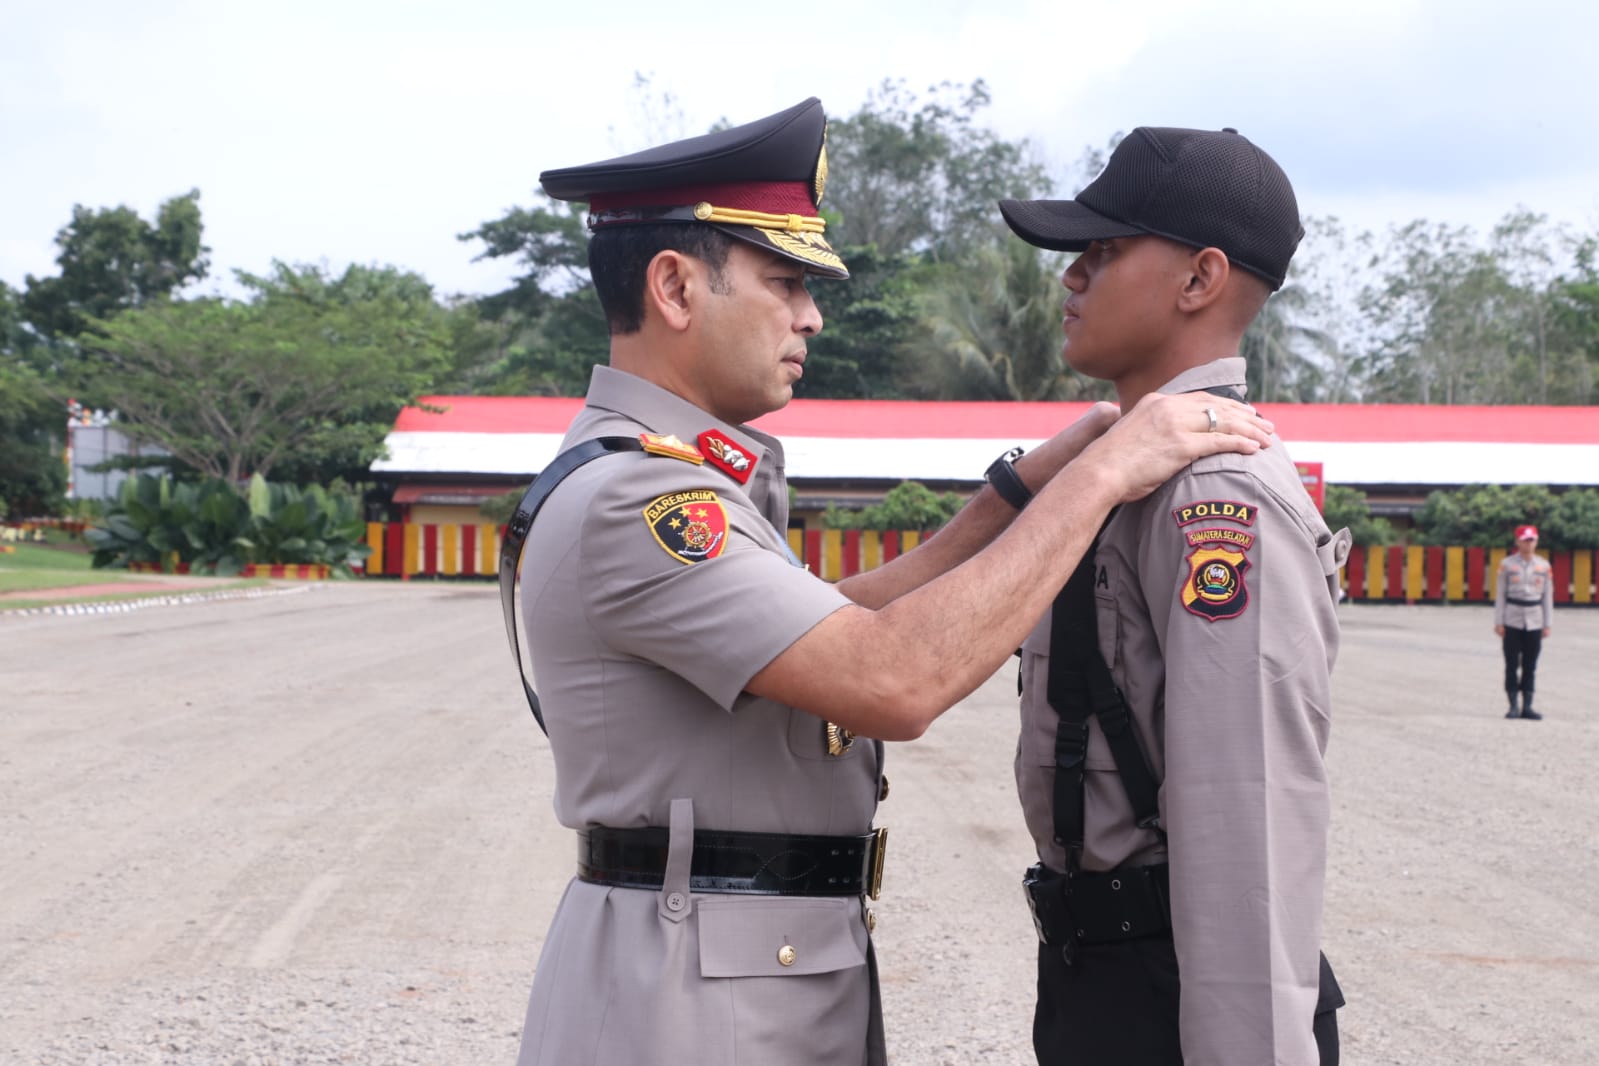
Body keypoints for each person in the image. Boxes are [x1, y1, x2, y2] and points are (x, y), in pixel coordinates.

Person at [502, 99, 1276, 1066]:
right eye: (784, 282)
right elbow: (887, 679)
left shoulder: (674, 479)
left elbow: (830, 625)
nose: (811, 315)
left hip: (737, 961)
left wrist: (1014, 494)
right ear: (673, 287)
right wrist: (1099, 477)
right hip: (693, 998)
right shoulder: (644, 501)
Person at [998, 127, 1353, 1066]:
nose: (1071, 278)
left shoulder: (1211, 494)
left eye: (1102, 253)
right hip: (1101, 971)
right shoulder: (1130, 470)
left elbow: (1248, 819)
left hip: (1174, 986)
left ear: (1198, 281)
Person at [1494, 523, 1552, 720]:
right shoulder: (1507, 565)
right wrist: (1499, 621)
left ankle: (1527, 706)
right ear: (1517, 541)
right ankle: (1512, 706)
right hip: (1512, 618)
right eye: (1525, 540)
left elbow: (1547, 596)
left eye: (1532, 540)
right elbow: (1500, 595)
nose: (1528, 543)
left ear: (1536, 541)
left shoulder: (1543, 565)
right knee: (1511, 664)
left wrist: (1547, 623)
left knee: (1530, 664)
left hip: (1535, 618)